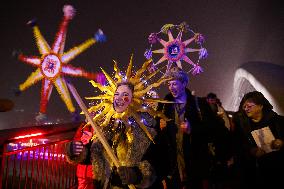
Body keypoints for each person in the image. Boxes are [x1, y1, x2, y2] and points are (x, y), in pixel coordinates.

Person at [66, 82, 168, 189]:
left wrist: (136, 175)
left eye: (125, 95)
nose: (118, 98)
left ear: (134, 100)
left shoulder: (148, 127)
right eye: (116, 94)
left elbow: (163, 164)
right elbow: (95, 155)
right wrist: (78, 151)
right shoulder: (107, 128)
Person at [158, 68, 212, 189]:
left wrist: (192, 129)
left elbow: (211, 130)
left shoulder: (199, 104)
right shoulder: (163, 106)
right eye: (169, 84)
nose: (171, 87)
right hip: (173, 168)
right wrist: (159, 126)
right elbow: (158, 139)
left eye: (175, 83)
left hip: (195, 166)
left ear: (184, 83)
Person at [232, 91, 284, 189]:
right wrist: (251, 150)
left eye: (249, 106)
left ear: (260, 106)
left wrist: (281, 142)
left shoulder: (277, 121)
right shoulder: (241, 124)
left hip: (276, 168)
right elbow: (237, 144)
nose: (246, 109)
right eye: (244, 107)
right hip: (253, 170)